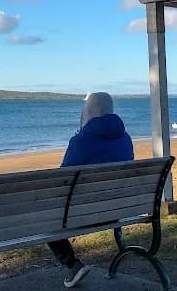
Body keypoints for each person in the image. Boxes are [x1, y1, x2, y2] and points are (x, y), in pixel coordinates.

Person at [48, 92, 133, 288]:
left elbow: (64, 180)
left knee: (47, 217)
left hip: (85, 214)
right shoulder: (125, 138)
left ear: (92, 112)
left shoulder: (81, 140)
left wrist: (81, 130)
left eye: (85, 109)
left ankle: (72, 264)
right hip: (117, 210)